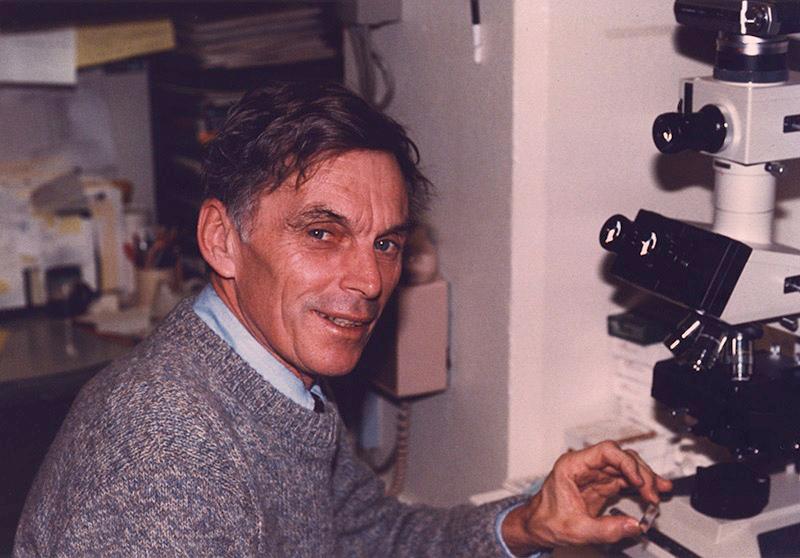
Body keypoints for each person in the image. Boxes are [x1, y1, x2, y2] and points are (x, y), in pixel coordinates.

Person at [15, 81, 671, 557]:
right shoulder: (166, 449)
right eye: (323, 233)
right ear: (220, 239)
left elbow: (372, 538)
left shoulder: (281, 384)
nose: (368, 281)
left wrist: (528, 523)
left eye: (386, 243)